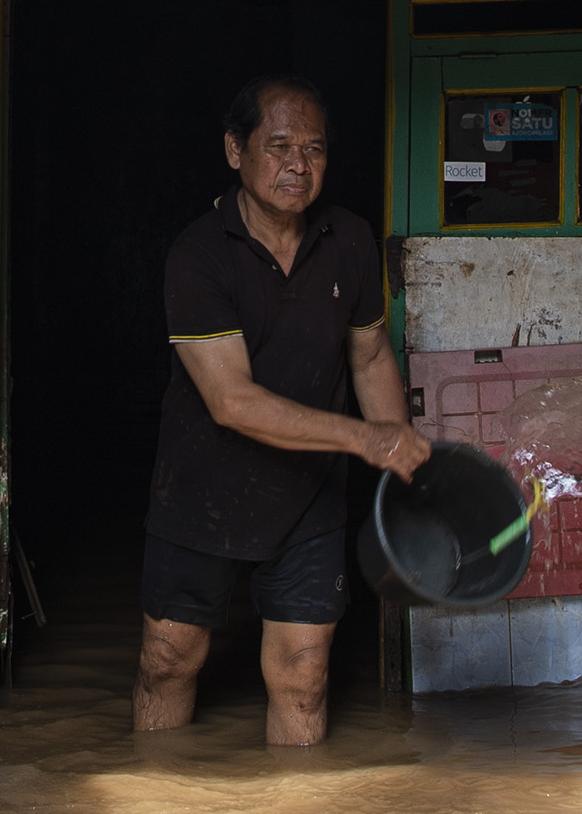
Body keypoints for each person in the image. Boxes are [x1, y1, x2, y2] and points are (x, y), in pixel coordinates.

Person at [138, 75, 432, 746]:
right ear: (234, 150)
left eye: (314, 148)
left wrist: (399, 463)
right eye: (278, 146)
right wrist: (364, 439)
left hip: (309, 497)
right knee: (168, 662)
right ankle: (155, 807)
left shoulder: (352, 242)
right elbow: (231, 401)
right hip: (199, 491)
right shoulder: (199, 254)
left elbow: (369, 356)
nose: (298, 165)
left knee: (304, 677)